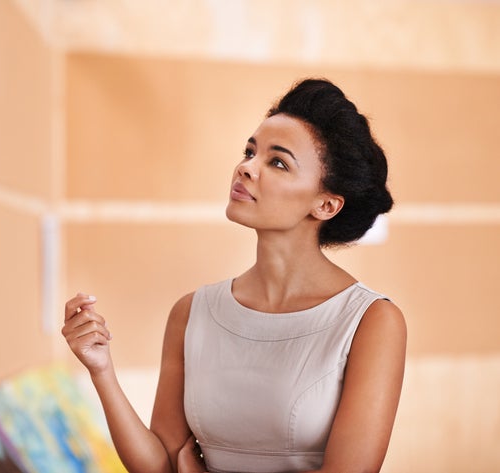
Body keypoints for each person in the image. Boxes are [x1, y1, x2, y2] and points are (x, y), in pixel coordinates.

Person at [62, 78, 407, 473]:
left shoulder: (371, 322)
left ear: (326, 204)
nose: (246, 168)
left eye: (277, 162)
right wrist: (101, 369)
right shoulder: (193, 312)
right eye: (249, 152)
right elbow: (160, 465)